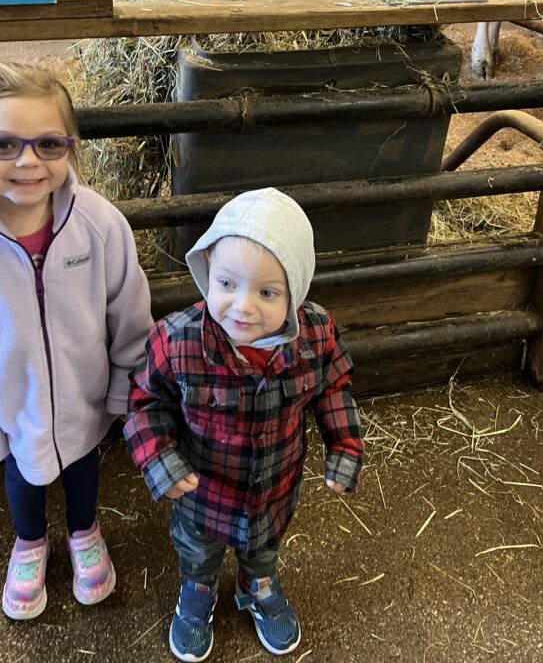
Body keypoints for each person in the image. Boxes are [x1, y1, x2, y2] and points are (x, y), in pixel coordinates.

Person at [0, 61, 153, 621]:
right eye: (4, 144)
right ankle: (29, 542)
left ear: (70, 146)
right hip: (12, 406)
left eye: (48, 143)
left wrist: (126, 387)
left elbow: (129, 310)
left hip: (85, 397)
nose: (28, 161)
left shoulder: (100, 225)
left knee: (82, 466)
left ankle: (83, 530)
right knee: (22, 475)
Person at [124, 187, 364, 662]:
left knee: (264, 546)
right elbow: (144, 402)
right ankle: (198, 589)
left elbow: (334, 387)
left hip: (273, 488)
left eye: (267, 292)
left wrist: (345, 445)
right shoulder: (178, 339)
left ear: (297, 289)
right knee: (198, 550)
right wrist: (160, 462)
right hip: (203, 492)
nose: (243, 306)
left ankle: (258, 583)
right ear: (207, 272)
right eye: (227, 283)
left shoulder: (315, 334)